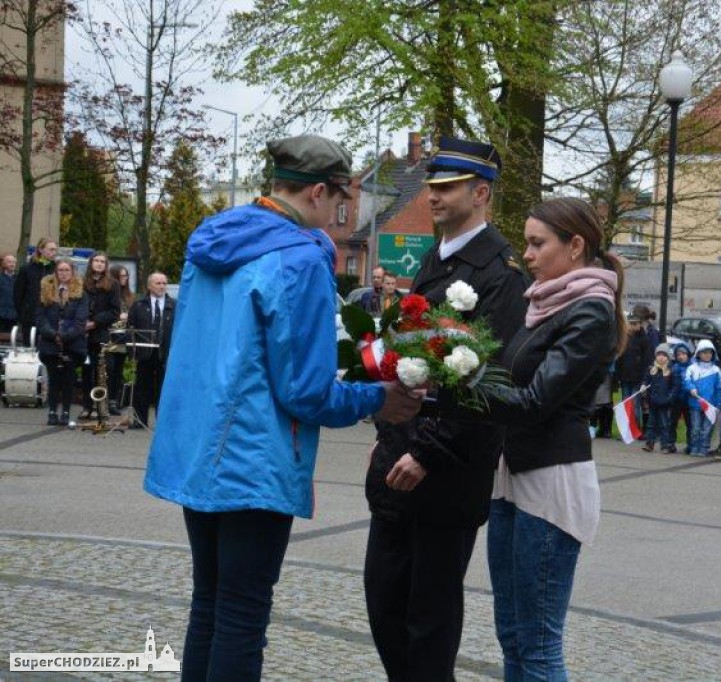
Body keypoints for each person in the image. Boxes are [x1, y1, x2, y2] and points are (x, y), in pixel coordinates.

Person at [143, 134, 424, 681]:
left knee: (211, 604)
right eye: (339, 198)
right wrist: (378, 399)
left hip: (199, 447)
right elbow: (305, 389)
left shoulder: (211, 242)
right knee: (242, 614)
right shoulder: (299, 259)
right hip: (253, 456)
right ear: (319, 191)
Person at [363, 136, 530, 682]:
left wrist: (430, 451)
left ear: (480, 193)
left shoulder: (500, 274)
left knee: (428, 622)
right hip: (398, 459)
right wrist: (388, 424)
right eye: (431, 185)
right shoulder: (436, 259)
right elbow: (413, 356)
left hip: (445, 472)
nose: (432, 195)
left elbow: (490, 385)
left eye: (446, 187)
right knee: (385, 606)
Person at [457, 197, 621, 680]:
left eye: (536, 243)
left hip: (551, 484)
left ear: (575, 246)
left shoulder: (590, 313)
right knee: (513, 635)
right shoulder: (545, 305)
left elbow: (532, 402)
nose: (525, 254)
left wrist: (461, 383)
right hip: (514, 476)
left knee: (539, 644)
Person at [35, 259, 88, 426]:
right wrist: (52, 334)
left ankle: (65, 412)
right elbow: (40, 317)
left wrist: (65, 336)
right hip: (50, 342)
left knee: (68, 379)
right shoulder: (46, 291)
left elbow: (81, 320)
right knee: (53, 379)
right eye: (60, 270)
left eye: (67, 270)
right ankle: (51, 412)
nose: (63, 273)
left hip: (72, 343)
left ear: (72, 272)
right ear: (56, 272)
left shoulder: (81, 294)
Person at [127, 272, 175, 428]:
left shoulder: (173, 305)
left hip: (165, 352)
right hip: (145, 353)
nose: (161, 286)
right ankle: (139, 420)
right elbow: (130, 329)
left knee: (163, 388)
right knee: (142, 387)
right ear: (149, 286)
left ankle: (163, 421)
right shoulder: (139, 304)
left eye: (164, 283)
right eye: (158, 283)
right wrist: (131, 352)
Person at [80, 252, 121, 420]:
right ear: (91, 263)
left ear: (106, 265)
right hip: (82, 333)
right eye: (96, 261)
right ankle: (86, 406)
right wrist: (82, 322)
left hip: (101, 332)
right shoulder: (82, 282)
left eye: (102, 261)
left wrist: (95, 322)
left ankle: (99, 406)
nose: (98, 264)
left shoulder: (113, 285)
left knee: (101, 371)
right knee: (85, 370)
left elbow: (114, 311)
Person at [13, 236, 56, 345]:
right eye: (51, 249)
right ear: (41, 250)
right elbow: (18, 295)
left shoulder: (56, 269)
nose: (54, 252)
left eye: (55, 250)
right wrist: (23, 313)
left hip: (50, 317)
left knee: (48, 348)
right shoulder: (27, 269)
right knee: (29, 347)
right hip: (30, 317)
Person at [684, 339, 721, 457]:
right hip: (695, 404)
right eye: (704, 352)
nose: (707, 355)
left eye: (710, 352)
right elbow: (686, 381)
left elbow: (719, 388)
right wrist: (691, 388)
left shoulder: (716, 370)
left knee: (706, 428)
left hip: (710, 406)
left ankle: (704, 447)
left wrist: (718, 403)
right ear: (698, 353)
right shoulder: (692, 368)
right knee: (695, 428)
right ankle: (694, 447)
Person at [107, 264, 135, 414]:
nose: (124, 279)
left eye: (126, 276)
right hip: (110, 336)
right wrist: (119, 316)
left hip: (123, 337)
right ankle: (103, 400)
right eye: (122, 276)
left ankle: (113, 401)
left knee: (118, 371)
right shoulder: (110, 293)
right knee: (109, 369)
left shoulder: (129, 296)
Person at [614, 313, 650, 426]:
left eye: (635, 323)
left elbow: (646, 361)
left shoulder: (644, 339)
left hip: (637, 378)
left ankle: (635, 428)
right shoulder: (624, 338)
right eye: (630, 323)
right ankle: (627, 428)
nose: (632, 326)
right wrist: (618, 375)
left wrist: (644, 379)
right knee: (626, 403)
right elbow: (619, 358)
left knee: (635, 404)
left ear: (640, 324)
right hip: (625, 377)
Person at [642, 343, 677, 453]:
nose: (661, 357)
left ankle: (665, 445)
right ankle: (649, 443)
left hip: (664, 402)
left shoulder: (671, 371)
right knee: (651, 424)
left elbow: (675, 386)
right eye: (658, 355)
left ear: (668, 357)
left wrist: (669, 398)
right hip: (653, 401)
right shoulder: (651, 369)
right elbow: (646, 381)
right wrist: (643, 386)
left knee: (664, 424)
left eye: (664, 355)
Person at [669, 342, 692, 453]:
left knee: (690, 423)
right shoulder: (674, 368)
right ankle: (670, 443)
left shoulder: (692, 368)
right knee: (672, 422)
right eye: (678, 355)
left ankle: (690, 445)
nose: (681, 357)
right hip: (676, 399)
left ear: (688, 355)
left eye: (683, 354)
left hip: (689, 399)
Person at [0, 253, 17, 334]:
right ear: (3, 264)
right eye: (9, 262)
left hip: (15, 316)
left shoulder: (19, 279)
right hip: (2, 315)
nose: (12, 264)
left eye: (14, 262)